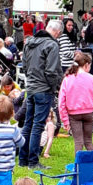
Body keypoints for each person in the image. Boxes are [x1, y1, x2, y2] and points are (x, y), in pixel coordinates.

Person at [19, 19, 63, 168]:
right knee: (38, 126)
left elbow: (24, 66)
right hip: (43, 89)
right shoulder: (52, 45)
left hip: (30, 88)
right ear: (57, 32)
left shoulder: (29, 43)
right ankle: (33, 161)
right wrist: (55, 86)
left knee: (28, 124)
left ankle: (23, 160)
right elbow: (52, 70)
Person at [58, 50, 93, 152]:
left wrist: (65, 120)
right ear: (86, 65)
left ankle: (79, 166)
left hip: (74, 114)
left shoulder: (67, 79)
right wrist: (90, 106)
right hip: (89, 112)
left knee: (78, 142)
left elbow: (61, 101)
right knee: (88, 141)